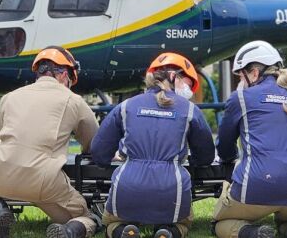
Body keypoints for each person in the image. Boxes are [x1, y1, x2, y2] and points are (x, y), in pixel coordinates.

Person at [0, 46, 99, 238]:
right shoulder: (73, 100)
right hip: (45, 184)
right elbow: (94, 143)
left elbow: (0, 139)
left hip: (1, 175)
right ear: (64, 75)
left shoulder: (9, 98)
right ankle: (69, 231)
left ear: (38, 72)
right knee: (86, 217)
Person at [91, 52, 215, 238]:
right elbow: (206, 156)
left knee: (112, 220)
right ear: (174, 76)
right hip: (171, 188)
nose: (189, 91)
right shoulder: (190, 110)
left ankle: (123, 230)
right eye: (188, 84)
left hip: (128, 185)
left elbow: (98, 152)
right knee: (183, 220)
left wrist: (113, 157)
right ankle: (169, 231)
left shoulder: (126, 106)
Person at [214, 41, 287, 238]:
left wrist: (229, 161)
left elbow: (225, 146)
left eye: (241, 75)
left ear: (254, 73)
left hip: (257, 186)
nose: (241, 81)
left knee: (220, 223)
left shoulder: (241, 98)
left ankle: (252, 233)